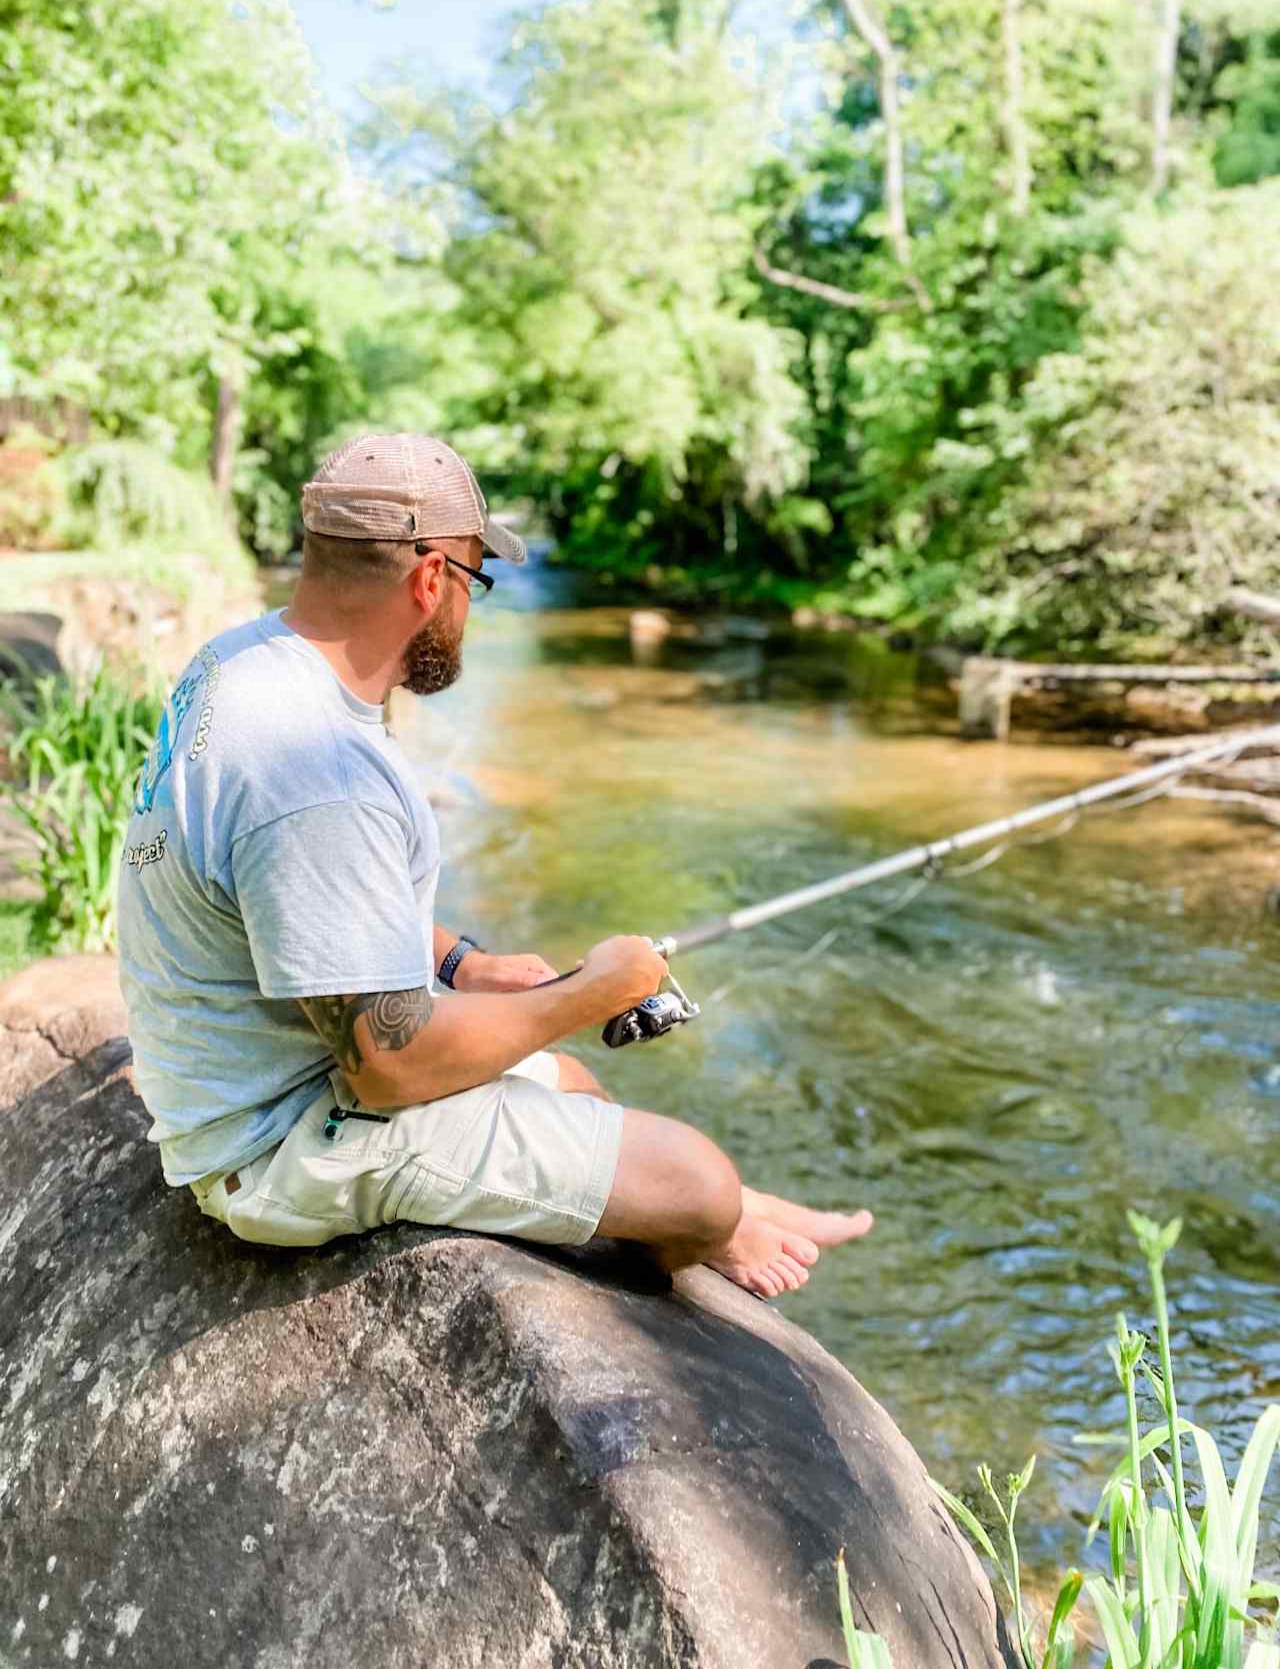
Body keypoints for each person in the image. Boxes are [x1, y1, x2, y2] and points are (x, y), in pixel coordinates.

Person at [117, 432, 872, 1298]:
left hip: (249, 1082)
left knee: (578, 1086)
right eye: (477, 581)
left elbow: (296, 892)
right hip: (277, 1139)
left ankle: (744, 1207)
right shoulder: (318, 768)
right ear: (430, 578)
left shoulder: (237, 663)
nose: (471, 610)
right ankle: (731, 1220)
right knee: (695, 1182)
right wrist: (590, 992)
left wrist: (459, 966)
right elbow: (384, 1066)